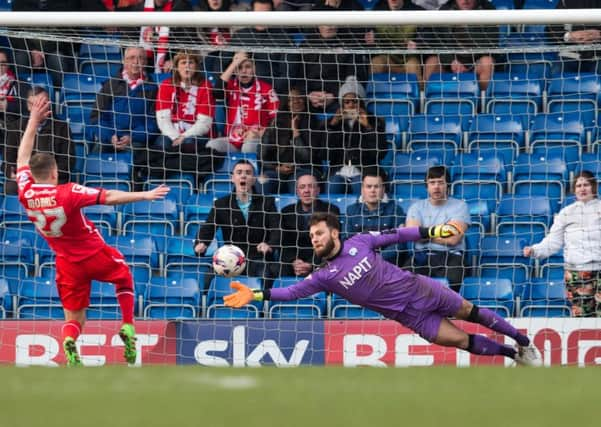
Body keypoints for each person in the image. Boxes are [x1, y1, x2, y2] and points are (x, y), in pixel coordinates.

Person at [224, 212, 542, 366]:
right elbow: (291, 292)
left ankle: (523, 341)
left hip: (421, 290)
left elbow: (399, 235)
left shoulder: (361, 241)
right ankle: (514, 355)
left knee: (471, 312)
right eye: (311, 237)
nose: (315, 239)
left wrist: (436, 230)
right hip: (410, 317)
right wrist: (255, 294)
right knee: (460, 340)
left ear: (334, 232)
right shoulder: (324, 276)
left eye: (319, 233)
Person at [16, 96, 171, 367]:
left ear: (33, 173)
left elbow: (21, 157)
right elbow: (108, 196)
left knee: (74, 317)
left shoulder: (25, 192)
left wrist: (32, 121)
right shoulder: (68, 192)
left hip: (65, 263)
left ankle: (70, 342)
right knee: (124, 277)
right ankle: (127, 326)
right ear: (54, 173)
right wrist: (145, 195)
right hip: (93, 252)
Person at [524, 171, 601, 317]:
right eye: (578, 185)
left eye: (586, 185)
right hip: (576, 273)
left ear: (594, 187)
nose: (582, 188)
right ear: (574, 189)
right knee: (582, 318)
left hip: (600, 269)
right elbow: (553, 241)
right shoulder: (566, 213)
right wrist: (534, 250)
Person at [87, 46, 159, 190]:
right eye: (131, 58)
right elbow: (97, 117)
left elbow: (153, 123)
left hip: (137, 142)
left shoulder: (153, 88)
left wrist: (132, 137)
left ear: (145, 62)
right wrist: (110, 136)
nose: (136, 62)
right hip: (109, 140)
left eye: (140, 58)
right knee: (94, 163)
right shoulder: (110, 85)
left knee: (137, 164)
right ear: (123, 61)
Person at [194, 159, 280, 278]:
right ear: (232, 178)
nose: (243, 176)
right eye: (239, 172)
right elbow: (208, 228)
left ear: (254, 179)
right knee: (209, 278)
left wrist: (270, 245)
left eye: (248, 173)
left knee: (264, 275)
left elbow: (277, 229)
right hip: (230, 260)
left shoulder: (267, 203)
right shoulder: (221, 204)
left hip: (258, 258)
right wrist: (201, 243)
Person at [153, 50, 217, 186]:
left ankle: (194, 184)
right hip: (171, 134)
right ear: (176, 66)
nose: (187, 66)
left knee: (191, 144)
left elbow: (204, 123)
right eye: (183, 62)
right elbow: (163, 120)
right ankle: (163, 184)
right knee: (162, 145)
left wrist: (185, 136)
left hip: (196, 134)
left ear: (196, 66)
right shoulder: (166, 85)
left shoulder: (205, 86)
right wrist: (176, 137)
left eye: (191, 62)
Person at [405, 166, 470, 292]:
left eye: (440, 182)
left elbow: (453, 239)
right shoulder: (416, 207)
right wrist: (442, 232)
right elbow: (413, 234)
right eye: (432, 183)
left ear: (447, 185)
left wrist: (424, 234)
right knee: (404, 280)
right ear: (427, 186)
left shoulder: (460, 206)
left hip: (451, 257)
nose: (436, 187)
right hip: (421, 257)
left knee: (453, 283)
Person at [5, 86, 74, 194]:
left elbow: (68, 162)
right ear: (28, 106)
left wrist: (43, 175)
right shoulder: (16, 127)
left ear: (49, 105)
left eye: (43, 104)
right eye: (35, 105)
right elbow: (8, 161)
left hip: (53, 178)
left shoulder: (62, 128)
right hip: (25, 178)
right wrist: (13, 173)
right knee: (10, 187)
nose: (39, 109)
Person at [207, 52, 280, 154]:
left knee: (248, 148)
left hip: (255, 138)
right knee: (211, 145)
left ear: (254, 68)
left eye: (248, 67)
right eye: (239, 68)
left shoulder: (266, 89)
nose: (244, 71)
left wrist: (263, 132)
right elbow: (217, 92)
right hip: (233, 139)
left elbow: (277, 119)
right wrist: (233, 64)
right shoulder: (231, 86)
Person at [325, 76, 387, 195]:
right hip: (338, 169)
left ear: (361, 102)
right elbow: (324, 153)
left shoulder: (375, 121)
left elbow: (380, 153)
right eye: (347, 102)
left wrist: (368, 127)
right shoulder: (333, 122)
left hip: (365, 170)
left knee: (360, 183)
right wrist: (332, 126)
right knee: (333, 184)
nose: (351, 105)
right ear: (341, 104)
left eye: (355, 101)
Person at [259, 86, 325, 194]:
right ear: (286, 103)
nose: (296, 102)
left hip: (305, 169)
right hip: (279, 170)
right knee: (262, 181)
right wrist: (277, 168)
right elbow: (262, 155)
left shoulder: (314, 124)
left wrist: (295, 133)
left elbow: (308, 157)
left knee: (299, 182)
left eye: (299, 98)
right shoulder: (275, 124)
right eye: (291, 99)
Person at [420, 0, 498, 90]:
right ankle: (431, 100)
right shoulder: (444, 11)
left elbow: (491, 42)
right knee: (431, 62)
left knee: (487, 62)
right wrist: (451, 61)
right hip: (450, 63)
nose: (465, 0)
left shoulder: (488, 10)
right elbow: (438, 42)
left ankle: (482, 101)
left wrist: (470, 65)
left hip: (476, 62)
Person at [277, 172, 340, 277]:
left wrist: (311, 264)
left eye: (310, 186)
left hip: (321, 259)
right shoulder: (286, 212)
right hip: (293, 262)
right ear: (297, 191)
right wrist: (294, 262)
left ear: (318, 190)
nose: (306, 191)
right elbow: (284, 243)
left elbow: (331, 243)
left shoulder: (331, 210)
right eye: (302, 187)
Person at [345, 168, 405, 266]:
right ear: (362, 189)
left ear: (383, 189)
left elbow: (399, 243)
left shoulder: (396, 210)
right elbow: (346, 240)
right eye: (368, 187)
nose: (372, 190)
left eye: (376, 186)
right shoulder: (351, 211)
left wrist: (376, 259)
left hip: (387, 264)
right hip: (357, 264)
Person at [546, 0, 601, 74]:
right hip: (569, 54)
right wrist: (569, 36)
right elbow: (550, 30)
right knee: (557, 74)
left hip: (598, 55)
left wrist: (599, 35)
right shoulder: (566, 1)